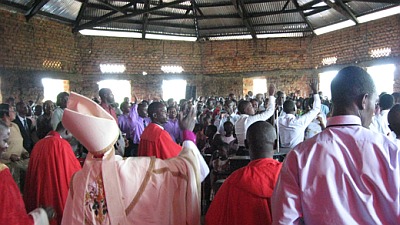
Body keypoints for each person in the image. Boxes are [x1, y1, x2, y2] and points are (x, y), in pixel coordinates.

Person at [272, 66, 400, 224]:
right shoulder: (391, 150)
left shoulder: (300, 155)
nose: (374, 111)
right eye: (375, 102)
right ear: (364, 100)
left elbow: (284, 220)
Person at [61, 92, 209, 225]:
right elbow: (186, 167)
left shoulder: (78, 180)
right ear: (113, 143)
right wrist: (188, 134)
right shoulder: (130, 170)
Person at [206, 121, 282, 225]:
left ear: (246, 144)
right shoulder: (289, 177)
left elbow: (213, 219)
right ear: (275, 144)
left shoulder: (234, 181)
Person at [24, 122, 82, 225]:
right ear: (67, 131)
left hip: (39, 194)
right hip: (56, 195)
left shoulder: (38, 144)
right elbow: (74, 172)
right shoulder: (63, 145)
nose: (72, 138)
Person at [0, 119, 54, 224]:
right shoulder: (2, 176)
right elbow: (12, 220)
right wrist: (42, 216)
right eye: (5, 141)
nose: (6, 146)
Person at [235, 84, 276, 155]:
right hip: (248, 150)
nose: (253, 108)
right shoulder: (249, 120)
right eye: (251, 106)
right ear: (245, 110)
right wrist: (271, 96)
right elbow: (270, 112)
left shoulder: (238, 121)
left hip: (240, 150)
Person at [278, 81, 321, 148]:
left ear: (283, 110)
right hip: (296, 151)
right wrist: (315, 91)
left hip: (282, 152)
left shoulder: (278, 120)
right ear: (295, 109)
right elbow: (316, 109)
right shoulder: (299, 121)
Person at [0, 103, 30, 190]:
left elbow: (19, 141)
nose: (14, 112)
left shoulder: (15, 126)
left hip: (19, 162)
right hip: (7, 164)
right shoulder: (1, 128)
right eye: (12, 111)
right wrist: (10, 156)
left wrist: (24, 151)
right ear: (5, 114)